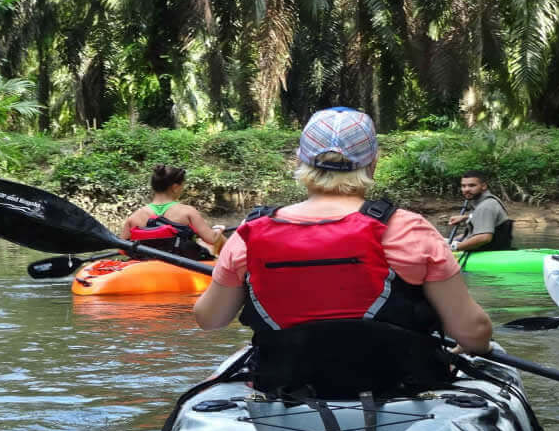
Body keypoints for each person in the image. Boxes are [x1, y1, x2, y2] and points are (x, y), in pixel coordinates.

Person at [193, 107, 493, 356]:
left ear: (299, 160)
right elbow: (473, 331)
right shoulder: (407, 228)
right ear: (373, 163)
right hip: (398, 385)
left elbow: (210, 319)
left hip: (284, 384)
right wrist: (467, 350)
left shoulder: (251, 232)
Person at [123, 164, 225, 262]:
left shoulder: (134, 217)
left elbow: (122, 249)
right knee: (219, 238)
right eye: (182, 185)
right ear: (175, 187)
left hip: (147, 264)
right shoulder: (188, 212)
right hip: (184, 265)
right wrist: (218, 229)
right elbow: (211, 239)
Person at [444, 170, 514, 253]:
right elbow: (482, 219)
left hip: (490, 253)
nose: (466, 189)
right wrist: (465, 218)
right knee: (440, 241)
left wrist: (454, 247)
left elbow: (484, 238)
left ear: (483, 186)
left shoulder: (486, 206)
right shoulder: (485, 201)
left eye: (472, 185)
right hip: (494, 248)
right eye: (463, 186)